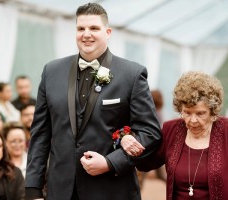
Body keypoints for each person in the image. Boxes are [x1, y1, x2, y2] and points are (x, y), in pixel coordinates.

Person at [25, 3, 161, 200]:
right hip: (60, 190)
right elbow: (40, 133)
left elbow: (150, 134)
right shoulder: (51, 72)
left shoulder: (131, 74)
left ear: (108, 32)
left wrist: (110, 162)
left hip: (112, 190)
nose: (86, 34)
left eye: (94, 28)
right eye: (81, 28)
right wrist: (33, 188)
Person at [122, 71, 228, 199]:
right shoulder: (172, 129)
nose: (193, 120)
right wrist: (127, 137)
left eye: (200, 113)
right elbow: (145, 163)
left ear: (213, 111)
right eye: (187, 113)